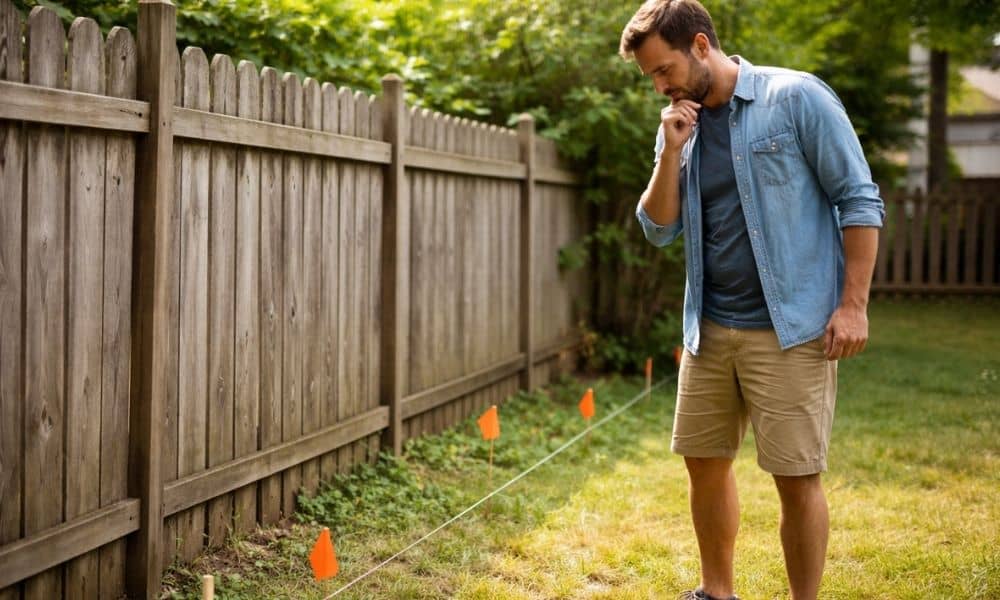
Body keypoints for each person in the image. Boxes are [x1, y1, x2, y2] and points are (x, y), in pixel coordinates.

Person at [618, 1, 884, 599]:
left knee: (796, 478)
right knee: (704, 466)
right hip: (709, 330)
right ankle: (717, 594)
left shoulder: (797, 100)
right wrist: (672, 150)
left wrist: (853, 305)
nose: (660, 86)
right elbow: (658, 228)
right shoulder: (679, 125)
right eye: (652, 78)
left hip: (790, 331)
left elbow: (859, 200)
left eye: (665, 70)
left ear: (702, 46)